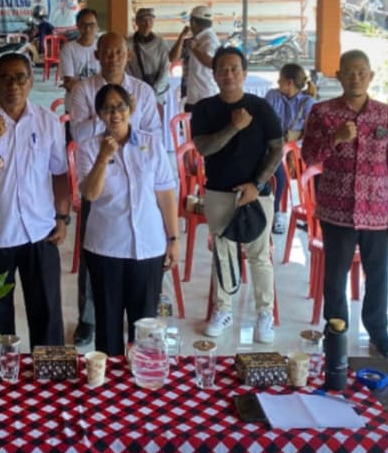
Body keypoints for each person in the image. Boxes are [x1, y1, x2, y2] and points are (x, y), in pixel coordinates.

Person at [0, 53, 69, 348]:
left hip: (40, 231)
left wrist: (62, 218)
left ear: (30, 81)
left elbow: (60, 173)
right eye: (6, 78)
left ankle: (47, 371)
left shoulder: (47, 121)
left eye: (20, 77)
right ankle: (2, 372)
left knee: (47, 313)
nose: (13, 85)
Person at [302, 50, 388, 358]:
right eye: (349, 72)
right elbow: (309, 156)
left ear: (371, 76)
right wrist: (335, 138)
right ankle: (336, 333)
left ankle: (378, 332)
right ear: (339, 76)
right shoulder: (323, 113)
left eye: (361, 72)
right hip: (337, 210)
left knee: (379, 274)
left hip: (378, 210)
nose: (355, 78)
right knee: (335, 276)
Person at [67, 32, 162, 346]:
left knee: (141, 254)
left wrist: (114, 120)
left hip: (138, 173)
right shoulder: (83, 89)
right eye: (106, 53)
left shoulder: (143, 91)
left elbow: (151, 132)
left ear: (128, 55)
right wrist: (112, 119)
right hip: (98, 171)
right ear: (96, 56)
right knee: (97, 253)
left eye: (119, 52)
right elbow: (79, 133)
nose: (113, 58)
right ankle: (88, 319)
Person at [76, 83, 179, 355]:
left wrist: (173, 238)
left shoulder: (151, 143)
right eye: (107, 109)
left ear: (130, 108)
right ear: (99, 114)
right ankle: (109, 376)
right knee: (108, 322)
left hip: (149, 247)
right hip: (106, 248)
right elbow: (90, 193)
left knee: (145, 325)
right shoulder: (88, 148)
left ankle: (140, 374)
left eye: (120, 106)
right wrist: (103, 158)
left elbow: (166, 193)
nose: (115, 114)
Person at [191, 46, 283, 343]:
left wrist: (257, 184)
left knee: (259, 255)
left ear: (244, 73)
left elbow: (277, 148)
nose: (228, 75)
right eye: (222, 69)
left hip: (257, 193)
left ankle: (265, 313)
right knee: (223, 253)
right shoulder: (204, 109)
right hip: (219, 192)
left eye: (234, 69)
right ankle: (223, 309)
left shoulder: (261, 107)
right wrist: (233, 126)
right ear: (214, 74)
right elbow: (204, 148)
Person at [264, 63, 316, 233]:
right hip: (272, 147)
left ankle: (311, 213)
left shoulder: (307, 102)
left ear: (290, 83)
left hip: (296, 151)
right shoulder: (273, 96)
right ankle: (274, 212)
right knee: (277, 170)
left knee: (314, 171)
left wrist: (292, 149)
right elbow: (264, 123)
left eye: (280, 79)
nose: (278, 82)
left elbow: (310, 133)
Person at [169, 5, 220, 112]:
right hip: (193, 97)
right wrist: (181, 37)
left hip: (205, 97)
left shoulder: (210, 39)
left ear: (193, 23)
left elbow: (212, 63)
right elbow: (172, 58)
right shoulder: (194, 39)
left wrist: (195, 50)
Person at [125, 7, 170, 105]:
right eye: (143, 20)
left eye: (150, 20)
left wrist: (155, 90)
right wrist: (136, 88)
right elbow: (126, 68)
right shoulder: (128, 44)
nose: (147, 23)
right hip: (135, 92)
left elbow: (165, 68)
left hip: (156, 94)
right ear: (137, 22)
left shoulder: (161, 43)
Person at [59, 8, 100, 91]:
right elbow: (69, 82)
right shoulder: (68, 49)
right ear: (77, 26)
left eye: (91, 25)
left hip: (99, 97)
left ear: (97, 26)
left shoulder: (101, 47)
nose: (87, 29)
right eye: (84, 25)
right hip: (76, 96)